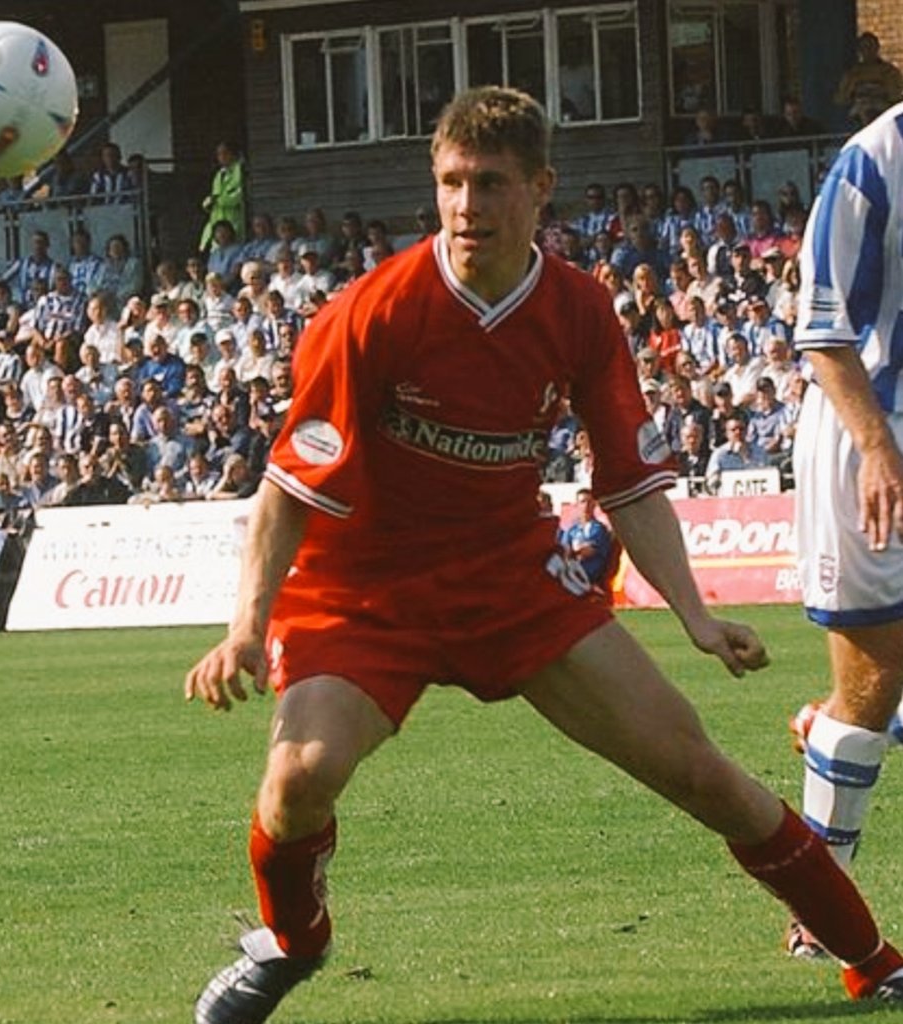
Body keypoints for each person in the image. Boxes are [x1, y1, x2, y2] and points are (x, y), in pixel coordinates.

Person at [184, 86, 903, 1024]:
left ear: (539, 191)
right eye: (449, 183)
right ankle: (291, 944)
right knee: (299, 778)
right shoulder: (369, 313)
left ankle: (873, 962)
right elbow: (288, 484)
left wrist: (695, 616)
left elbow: (630, 480)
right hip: (366, 593)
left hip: (511, 582)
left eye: (488, 184)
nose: (465, 206)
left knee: (698, 770)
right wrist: (246, 627)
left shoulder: (577, 309)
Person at [784, 98, 903, 961]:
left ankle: (828, 736)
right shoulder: (874, 161)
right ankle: (821, 921)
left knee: (870, 696)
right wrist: (878, 447)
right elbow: (822, 331)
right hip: (867, 438)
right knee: (872, 684)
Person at [835, 32, 903, 127]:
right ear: (859, 50)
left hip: (883, 115)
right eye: (864, 47)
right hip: (858, 117)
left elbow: (895, 96)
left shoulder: (889, 71)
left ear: (877, 48)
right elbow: (841, 98)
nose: (868, 50)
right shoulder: (852, 73)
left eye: (871, 47)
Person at [200, 141, 247, 252]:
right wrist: (208, 203)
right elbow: (214, 196)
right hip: (217, 222)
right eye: (219, 154)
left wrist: (217, 200)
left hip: (234, 223)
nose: (221, 157)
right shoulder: (219, 175)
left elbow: (238, 196)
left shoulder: (240, 170)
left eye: (225, 153)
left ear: (233, 154)